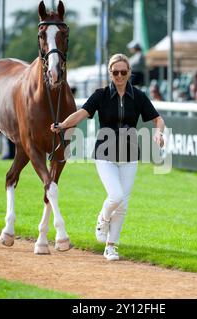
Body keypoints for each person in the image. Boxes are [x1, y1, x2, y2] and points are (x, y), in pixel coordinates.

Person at [50, 53, 165, 261]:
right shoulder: (100, 95)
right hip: (105, 155)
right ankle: (102, 219)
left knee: (123, 205)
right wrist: (63, 125)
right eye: (115, 72)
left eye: (123, 72)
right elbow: (82, 113)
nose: (119, 76)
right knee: (116, 196)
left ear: (129, 73)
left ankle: (111, 246)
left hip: (129, 156)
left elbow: (157, 119)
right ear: (110, 73)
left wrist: (159, 132)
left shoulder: (138, 96)